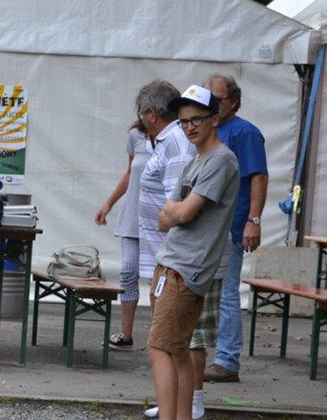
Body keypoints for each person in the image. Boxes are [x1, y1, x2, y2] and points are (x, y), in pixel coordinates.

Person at [120, 85, 239, 420]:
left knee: (160, 348)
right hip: (174, 263)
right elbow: (165, 214)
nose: (189, 128)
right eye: (184, 121)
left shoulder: (221, 160)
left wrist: (175, 210)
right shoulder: (195, 160)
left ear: (215, 119)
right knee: (182, 349)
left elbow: (182, 214)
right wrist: (174, 210)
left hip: (186, 268)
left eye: (197, 120)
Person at [202, 74, 268, 384]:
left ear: (234, 102)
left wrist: (253, 221)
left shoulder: (245, 132)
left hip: (232, 227)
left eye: (218, 98)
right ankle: (209, 354)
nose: (212, 103)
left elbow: (258, 177)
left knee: (228, 293)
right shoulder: (208, 129)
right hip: (208, 226)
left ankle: (227, 359)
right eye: (208, 97)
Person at [135, 81, 196, 303]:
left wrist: (163, 221)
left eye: (141, 114)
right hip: (162, 259)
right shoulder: (168, 140)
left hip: (173, 262)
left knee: (166, 331)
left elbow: (178, 203)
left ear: (151, 114)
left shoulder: (176, 142)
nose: (140, 120)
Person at [95, 119, 153, 349]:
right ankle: (126, 333)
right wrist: (108, 203)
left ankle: (160, 338)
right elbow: (130, 173)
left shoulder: (175, 136)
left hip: (158, 220)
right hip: (133, 217)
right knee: (128, 270)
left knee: (157, 277)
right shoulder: (136, 136)